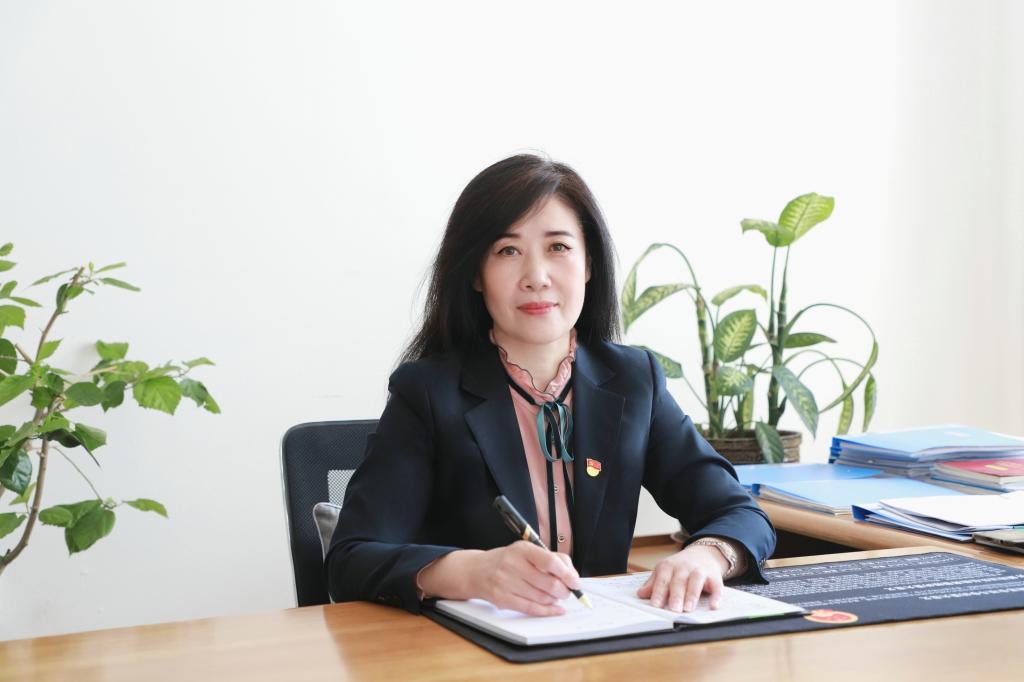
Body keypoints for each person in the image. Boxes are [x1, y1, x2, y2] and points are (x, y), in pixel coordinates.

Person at [326, 153, 775, 617]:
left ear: (588, 264)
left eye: (558, 247)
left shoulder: (633, 381)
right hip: (469, 646)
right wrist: (474, 572)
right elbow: (351, 558)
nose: (536, 278)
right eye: (507, 251)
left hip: (602, 638)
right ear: (476, 274)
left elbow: (741, 514)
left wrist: (708, 554)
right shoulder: (427, 392)